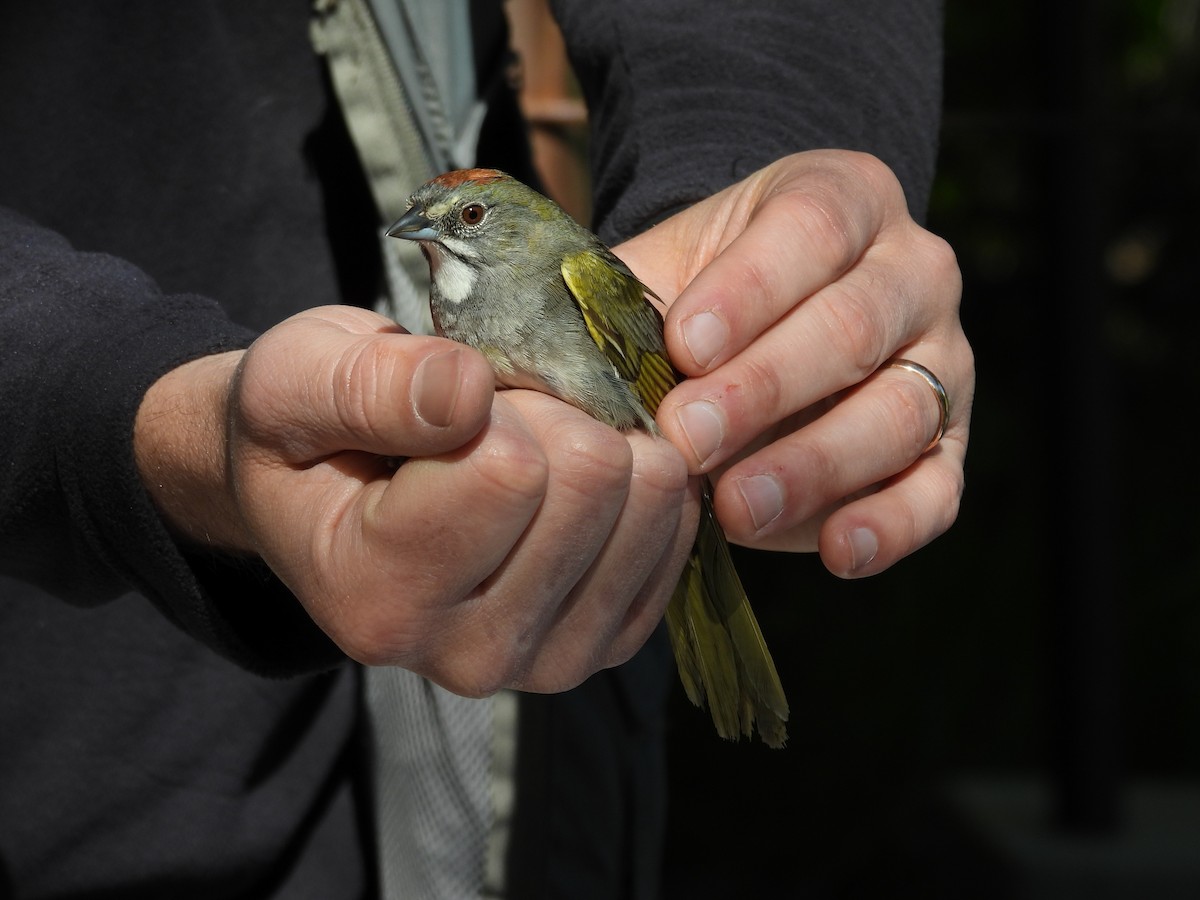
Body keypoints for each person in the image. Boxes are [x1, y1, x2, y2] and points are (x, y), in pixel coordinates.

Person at [0, 1, 972, 898]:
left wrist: (775, 229)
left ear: (508, 230)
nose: (433, 236)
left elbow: (669, 389)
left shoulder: (584, 276)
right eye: (431, 225)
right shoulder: (448, 309)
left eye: (463, 221)